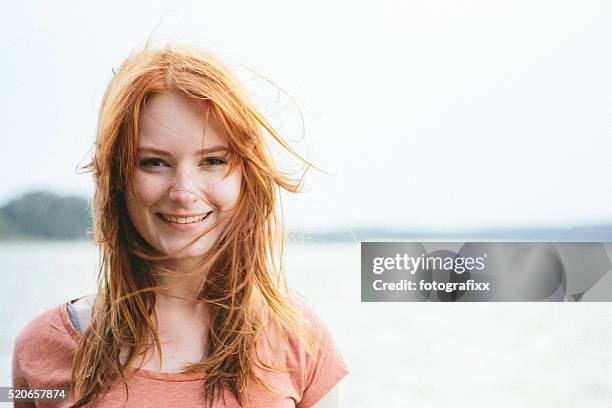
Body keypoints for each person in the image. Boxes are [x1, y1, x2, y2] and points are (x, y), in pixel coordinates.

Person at [11, 42, 348, 407]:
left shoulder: (298, 338)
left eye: (214, 161)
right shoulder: (41, 347)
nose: (184, 192)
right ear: (116, 178)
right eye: (154, 162)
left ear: (246, 176)